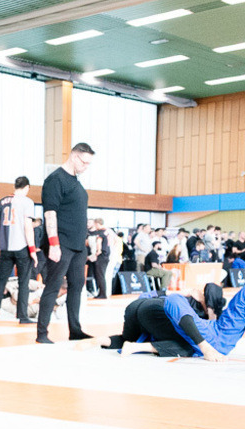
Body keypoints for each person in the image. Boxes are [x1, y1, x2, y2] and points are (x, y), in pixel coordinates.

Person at [37, 142, 95, 344]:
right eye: (84, 162)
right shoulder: (55, 179)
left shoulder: (75, 182)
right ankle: (42, 333)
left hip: (78, 246)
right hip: (61, 243)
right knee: (53, 286)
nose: (86, 167)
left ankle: (75, 330)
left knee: (77, 286)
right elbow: (50, 213)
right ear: (74, 156)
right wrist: (54, 244)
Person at [90, 284, 233, 361]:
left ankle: (102, 340)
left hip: (136, 306)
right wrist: (210, 309)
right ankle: (135, 347)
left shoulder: (187, 296)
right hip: (155, 311)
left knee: (126, 338)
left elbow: (150, 294)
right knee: (189, 347)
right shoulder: (198, 311)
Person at [0, 176, 37, 324]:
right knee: (23, 282)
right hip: (22, 248)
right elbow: (28, 227)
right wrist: (33, 250)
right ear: (27, 187)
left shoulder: (2, 202)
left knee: (0, 282)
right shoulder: (27, 202)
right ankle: (22, 316)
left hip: (5, 248)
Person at [86, 218, 110, 299]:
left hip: (101, 256)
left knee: (100, 275)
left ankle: (103, 294)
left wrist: (96, 253)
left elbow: (99, 244)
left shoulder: (100, 233)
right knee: (100, 275)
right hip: (106, 255)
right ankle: (101, 293)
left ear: (97, 224)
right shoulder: (106, 232)